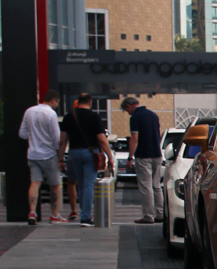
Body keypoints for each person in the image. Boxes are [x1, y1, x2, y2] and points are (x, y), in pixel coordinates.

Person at [59, 93, 115, 227]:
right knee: (89, 184)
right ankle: (85, 217)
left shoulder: (69, 116)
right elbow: (101, 139)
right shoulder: (94, 116)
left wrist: (60, 159)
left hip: (73, 153)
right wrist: (110, 157)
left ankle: (84, 213)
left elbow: (62, 140)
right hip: (91, 153)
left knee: (81, 184)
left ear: (78, 102)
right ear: (90, 103)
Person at [18, 90, 64, 224]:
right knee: (55, 185)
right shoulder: (51, 114)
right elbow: (56, 137)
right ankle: (54, 215)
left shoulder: (29, 111)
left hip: (32, 154)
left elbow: (22, 133)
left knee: (35, 182)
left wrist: (34, 137)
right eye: (58, 102)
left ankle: (32, 212)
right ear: (53, 100)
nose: (57, 105)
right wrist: (57, 149)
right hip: (48, 154)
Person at [121, 96, 163, 223]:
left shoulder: (135, 117)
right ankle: (160, 214)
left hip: (144, 155)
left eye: (126, 110)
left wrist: (130, 157)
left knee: (146, 187)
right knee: (156, 186)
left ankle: (148, 216)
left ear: (128, 106)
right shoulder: (153, 115)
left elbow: (134, 138)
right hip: (157, 154)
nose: (127, 113)